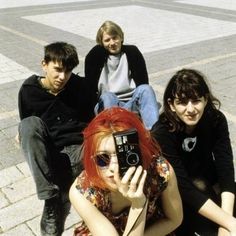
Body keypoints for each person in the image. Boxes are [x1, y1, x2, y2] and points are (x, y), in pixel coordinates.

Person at [18, 42, 94, 236]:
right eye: (58, 70)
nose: (63, 77)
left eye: (68, 71)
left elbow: (93, 121)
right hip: (53, 157)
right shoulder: (28, 91)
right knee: (27, 125)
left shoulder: (80, 86)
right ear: (44, 64)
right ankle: (50, 200)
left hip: (81, 153)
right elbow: (29, 130)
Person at [69, 107, 183, 236]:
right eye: (102, 159)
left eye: (122, 157)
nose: (113, 167)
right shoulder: (82, 192)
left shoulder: (160, 171)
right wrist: (138, 205)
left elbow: (174, 219)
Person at [151, 68, 236, 236]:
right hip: (180, 194)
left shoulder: (216, 119)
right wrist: (229, 222)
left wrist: (226, 223)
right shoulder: (162, 132)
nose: (190, 109)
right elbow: (182, 186)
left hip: (210, 183)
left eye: (196, 100)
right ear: (171, 105)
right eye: (182, 102)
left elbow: (225, 168)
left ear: (205, 100)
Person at [84, 20, 159, 130]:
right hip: (108, 104)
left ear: (121, 37)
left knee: (146, 89)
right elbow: (89, 87)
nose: (112, 43)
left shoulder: (132, 52)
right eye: (107, 40)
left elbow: (143, 81)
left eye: (115, 38)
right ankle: (117, 134)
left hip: (131, 101)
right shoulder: (95, 56)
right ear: (101, 43)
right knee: (108, 96)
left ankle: (154, 134)